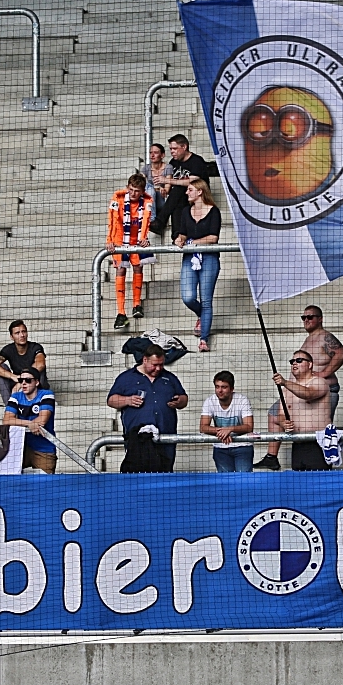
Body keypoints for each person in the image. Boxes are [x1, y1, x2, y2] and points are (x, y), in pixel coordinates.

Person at [256, 305, 343, 470]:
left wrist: (323, 373)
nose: (306, 320)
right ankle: (272, 456)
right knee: (275, 414)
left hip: (318, 391)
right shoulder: (309, 338)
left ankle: (325, 452)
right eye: (303, 318)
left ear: (320, 319)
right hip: (297, 391)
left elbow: (341, 354)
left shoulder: (324, 336)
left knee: (315, 427)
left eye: (310, 317)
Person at [107, 343, 188, 472]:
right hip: (137, 439)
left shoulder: (170, 378)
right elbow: (111, 400)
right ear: (145, 360)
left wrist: (179, 401)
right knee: (137, 475)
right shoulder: (126, 377)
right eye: (154, 365)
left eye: (161, 364)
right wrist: (127, 400)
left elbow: (184, 399)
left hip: (165, 438)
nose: (158, 368)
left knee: (164, 475)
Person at [174, 177, 221, 352]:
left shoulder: (214, 211)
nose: (187, 192)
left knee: (206, 300)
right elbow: (183, 233)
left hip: (208, 257)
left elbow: (213, 237)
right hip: (190, 257)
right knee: (188, 296)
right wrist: (180, 239)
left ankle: (204, 339)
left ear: (200, 192)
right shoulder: (186, 211)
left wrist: (195, 242)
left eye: (190, 189)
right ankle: (202, 315)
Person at [269, 350, 332, 471]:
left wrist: (285, 382)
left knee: (318, 484)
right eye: (292, 361)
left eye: (299, 360)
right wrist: (283, 423)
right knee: (299, 485)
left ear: (310, 364)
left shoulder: (319, 382)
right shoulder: (287, 390)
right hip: (297, 443)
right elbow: (281, 414)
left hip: (317, 443)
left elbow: (308, 394)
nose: (294, 363)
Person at [106, 172, 153, 329]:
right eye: (131, 190)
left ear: (142, 191)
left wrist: (144, 238)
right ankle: (121, 313)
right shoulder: (117, 199)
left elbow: (146, 220)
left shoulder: (147, 201)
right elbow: (112, 220)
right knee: (120, 270)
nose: (133, 194)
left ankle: (137, 304)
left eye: (137, 191)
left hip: (136, 241)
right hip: (120, 240)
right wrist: (110, 241)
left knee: (138, 266)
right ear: (127, 188)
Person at [150, 134, 209, 238]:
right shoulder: (173, 162)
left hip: (198, 196)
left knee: (179, 189)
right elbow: (170, 181)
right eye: (171, 149)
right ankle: (176, 236)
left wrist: (167, 180)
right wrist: (164, 189)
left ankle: (160, 222)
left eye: (175, 148)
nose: (172, 152)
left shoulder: (197, 161)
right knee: (176, 198)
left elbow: (192, 181)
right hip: (181, 198)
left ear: (184, 147)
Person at [2, 367, 58, 474]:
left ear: (37, 382)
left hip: (44, 448)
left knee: (46, 486)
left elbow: (42, 420)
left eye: (28, 380)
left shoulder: (47, 394)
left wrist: (23, 423)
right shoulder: (16, 396)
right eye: (21, 380)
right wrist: (30, 424)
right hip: (21, 448)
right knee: (13, 481)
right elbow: (7, 420)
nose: (23, 383)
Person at [199, 370, 255, 472]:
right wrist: (223, 432)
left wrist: (230, 429)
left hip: (242, 446)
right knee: (225, 483)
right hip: (221, 447)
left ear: (232, 389)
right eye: (217, 386)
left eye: (224, 387)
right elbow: (203, 427)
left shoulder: (242, 400)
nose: (219, 390)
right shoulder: (209, 401)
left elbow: (249, 426)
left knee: (244, 481)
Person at [0, 319, 48, 404]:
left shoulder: (35, 347)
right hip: (17, 382)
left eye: (24, 331)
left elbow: (41, 364)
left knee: (39, 370)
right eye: (17, 333)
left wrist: (22, 381)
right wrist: (14, 377)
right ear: (12, 337)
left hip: (35, 384)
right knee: (1, 367)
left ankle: (39, 401)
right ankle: (10, 405)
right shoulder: (8, 349)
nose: (22, 335)